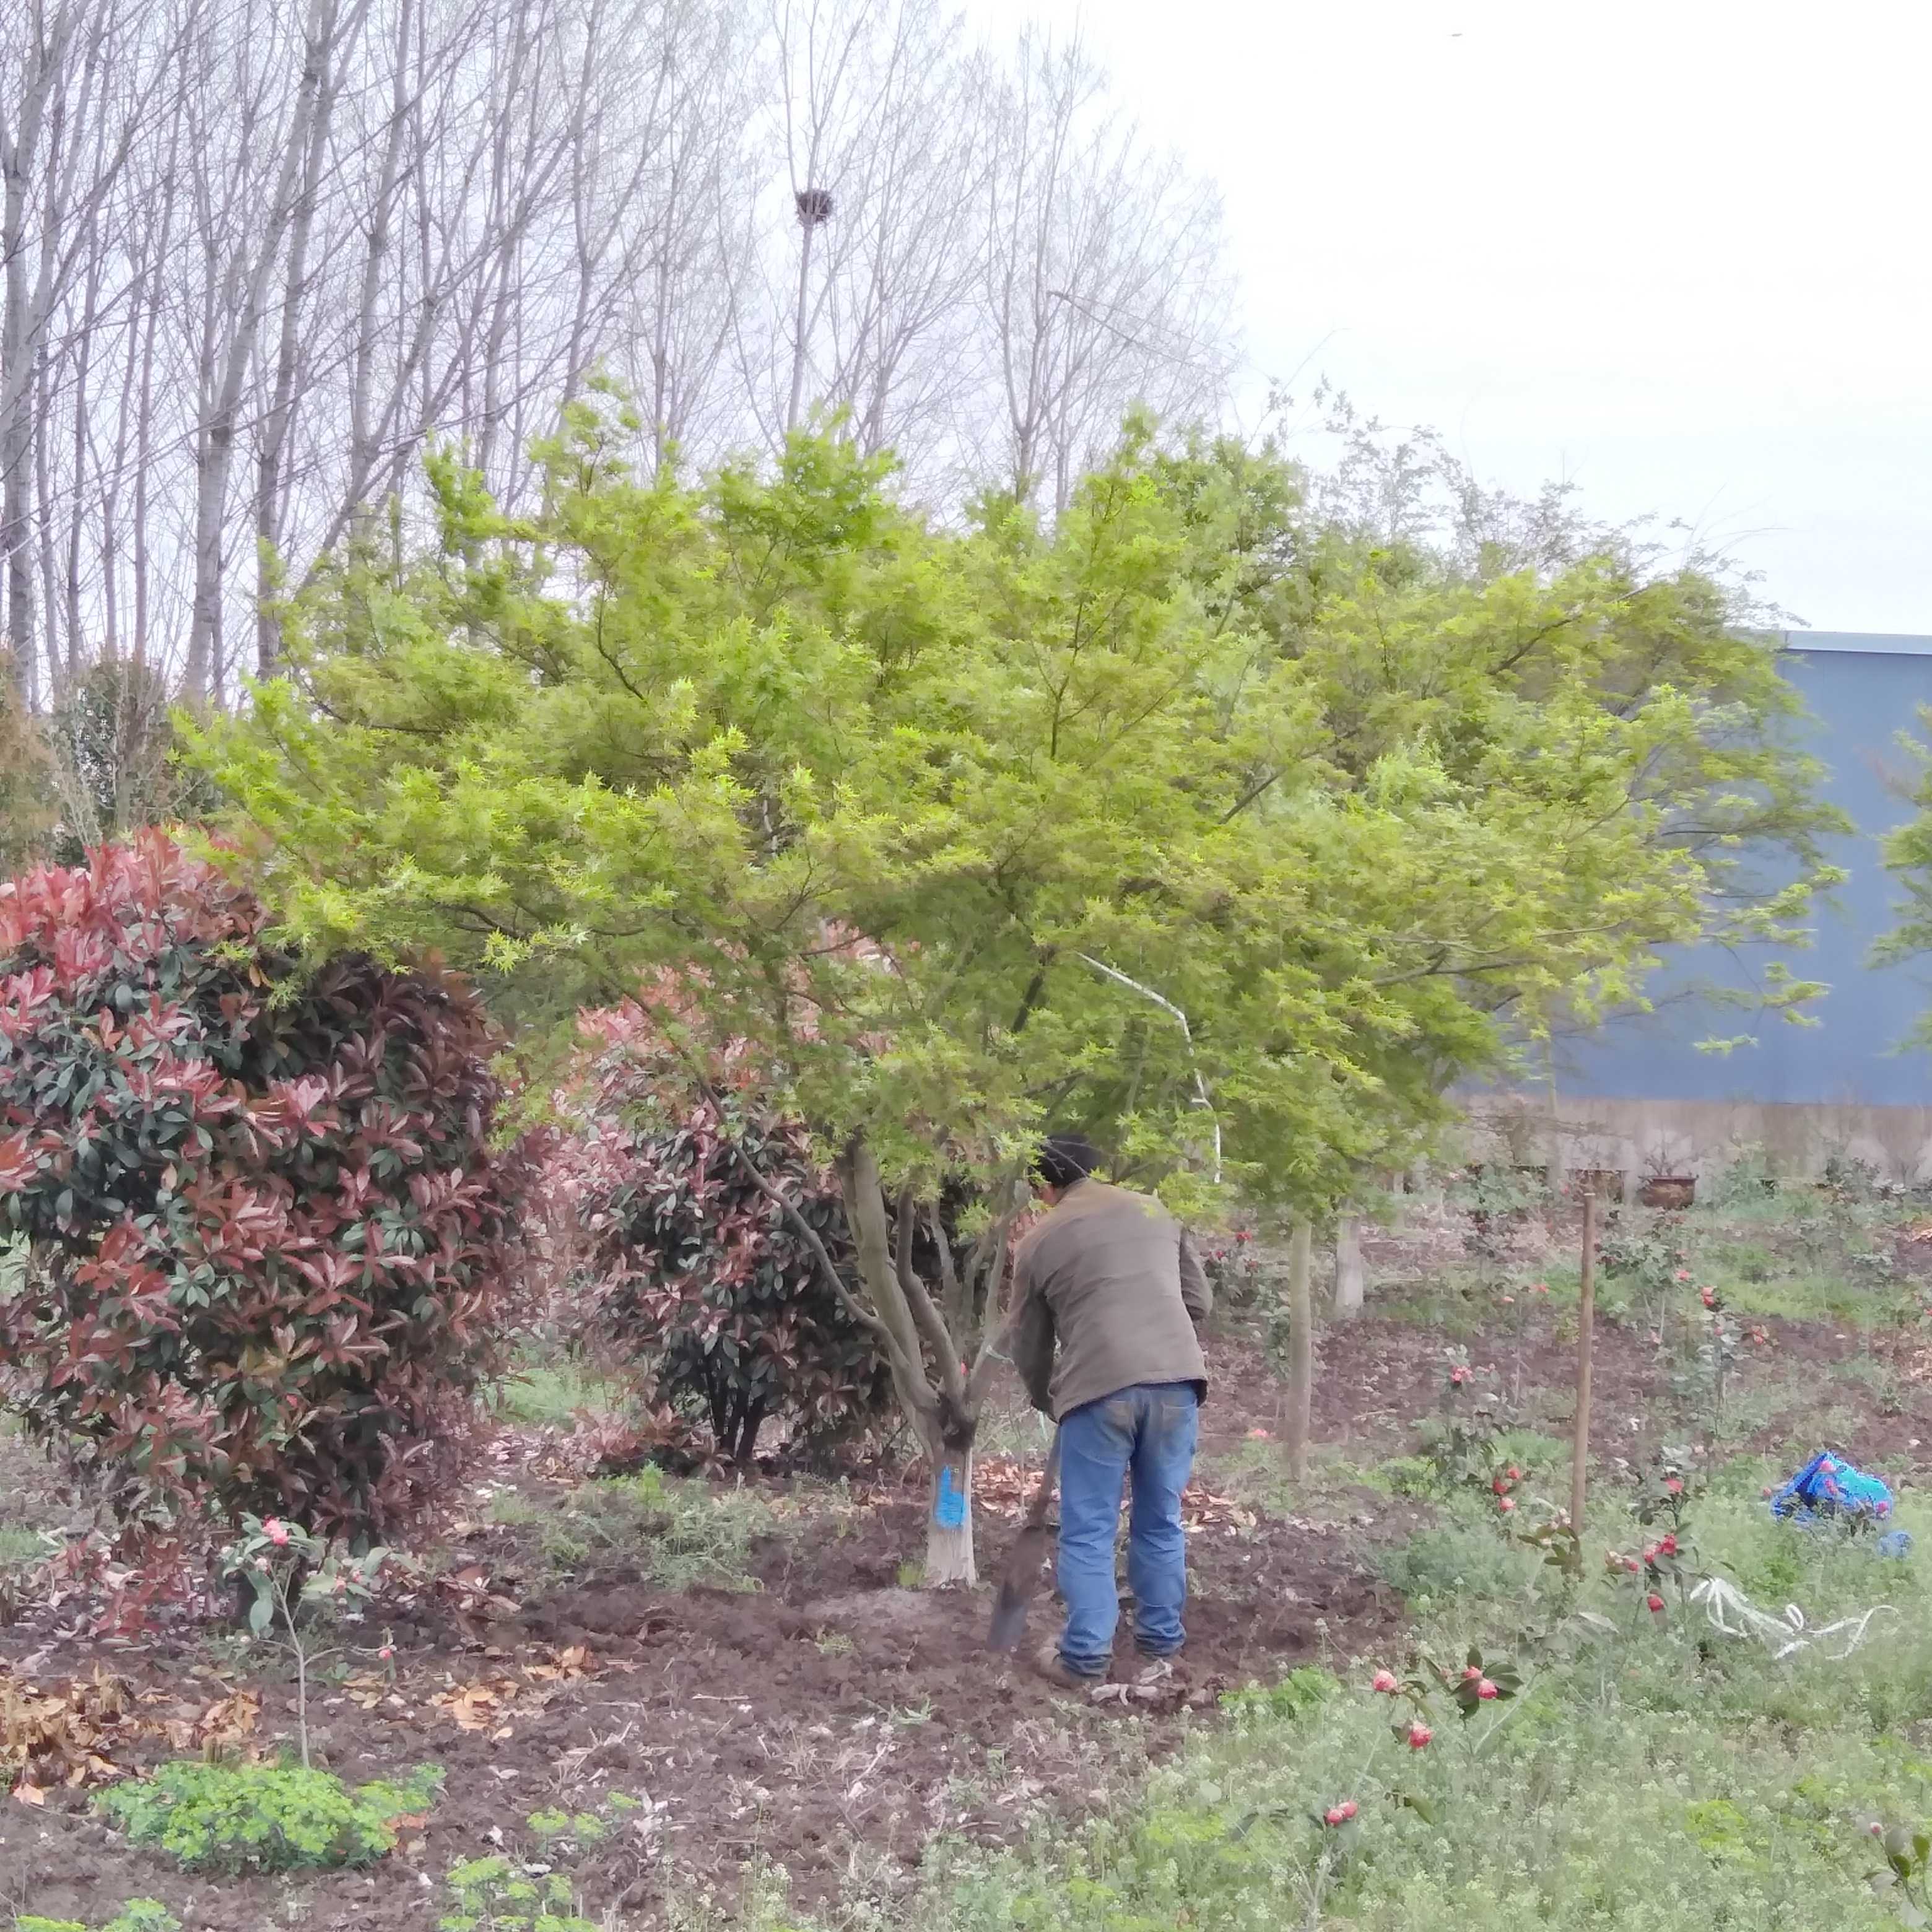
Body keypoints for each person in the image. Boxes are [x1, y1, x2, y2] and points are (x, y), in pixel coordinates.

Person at [1009, 1131, 1212, 1687]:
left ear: (1041, 1185)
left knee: (1088, 1530)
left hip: (1098, 1393)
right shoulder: (1155, 1210)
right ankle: (1161, 1648)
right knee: (1160, 1521)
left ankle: (1083, 1658)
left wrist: (1048, 1397)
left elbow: (1027, 1345)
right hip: (1177, 1385)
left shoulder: (1039, 1240)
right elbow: (1199, 1302)